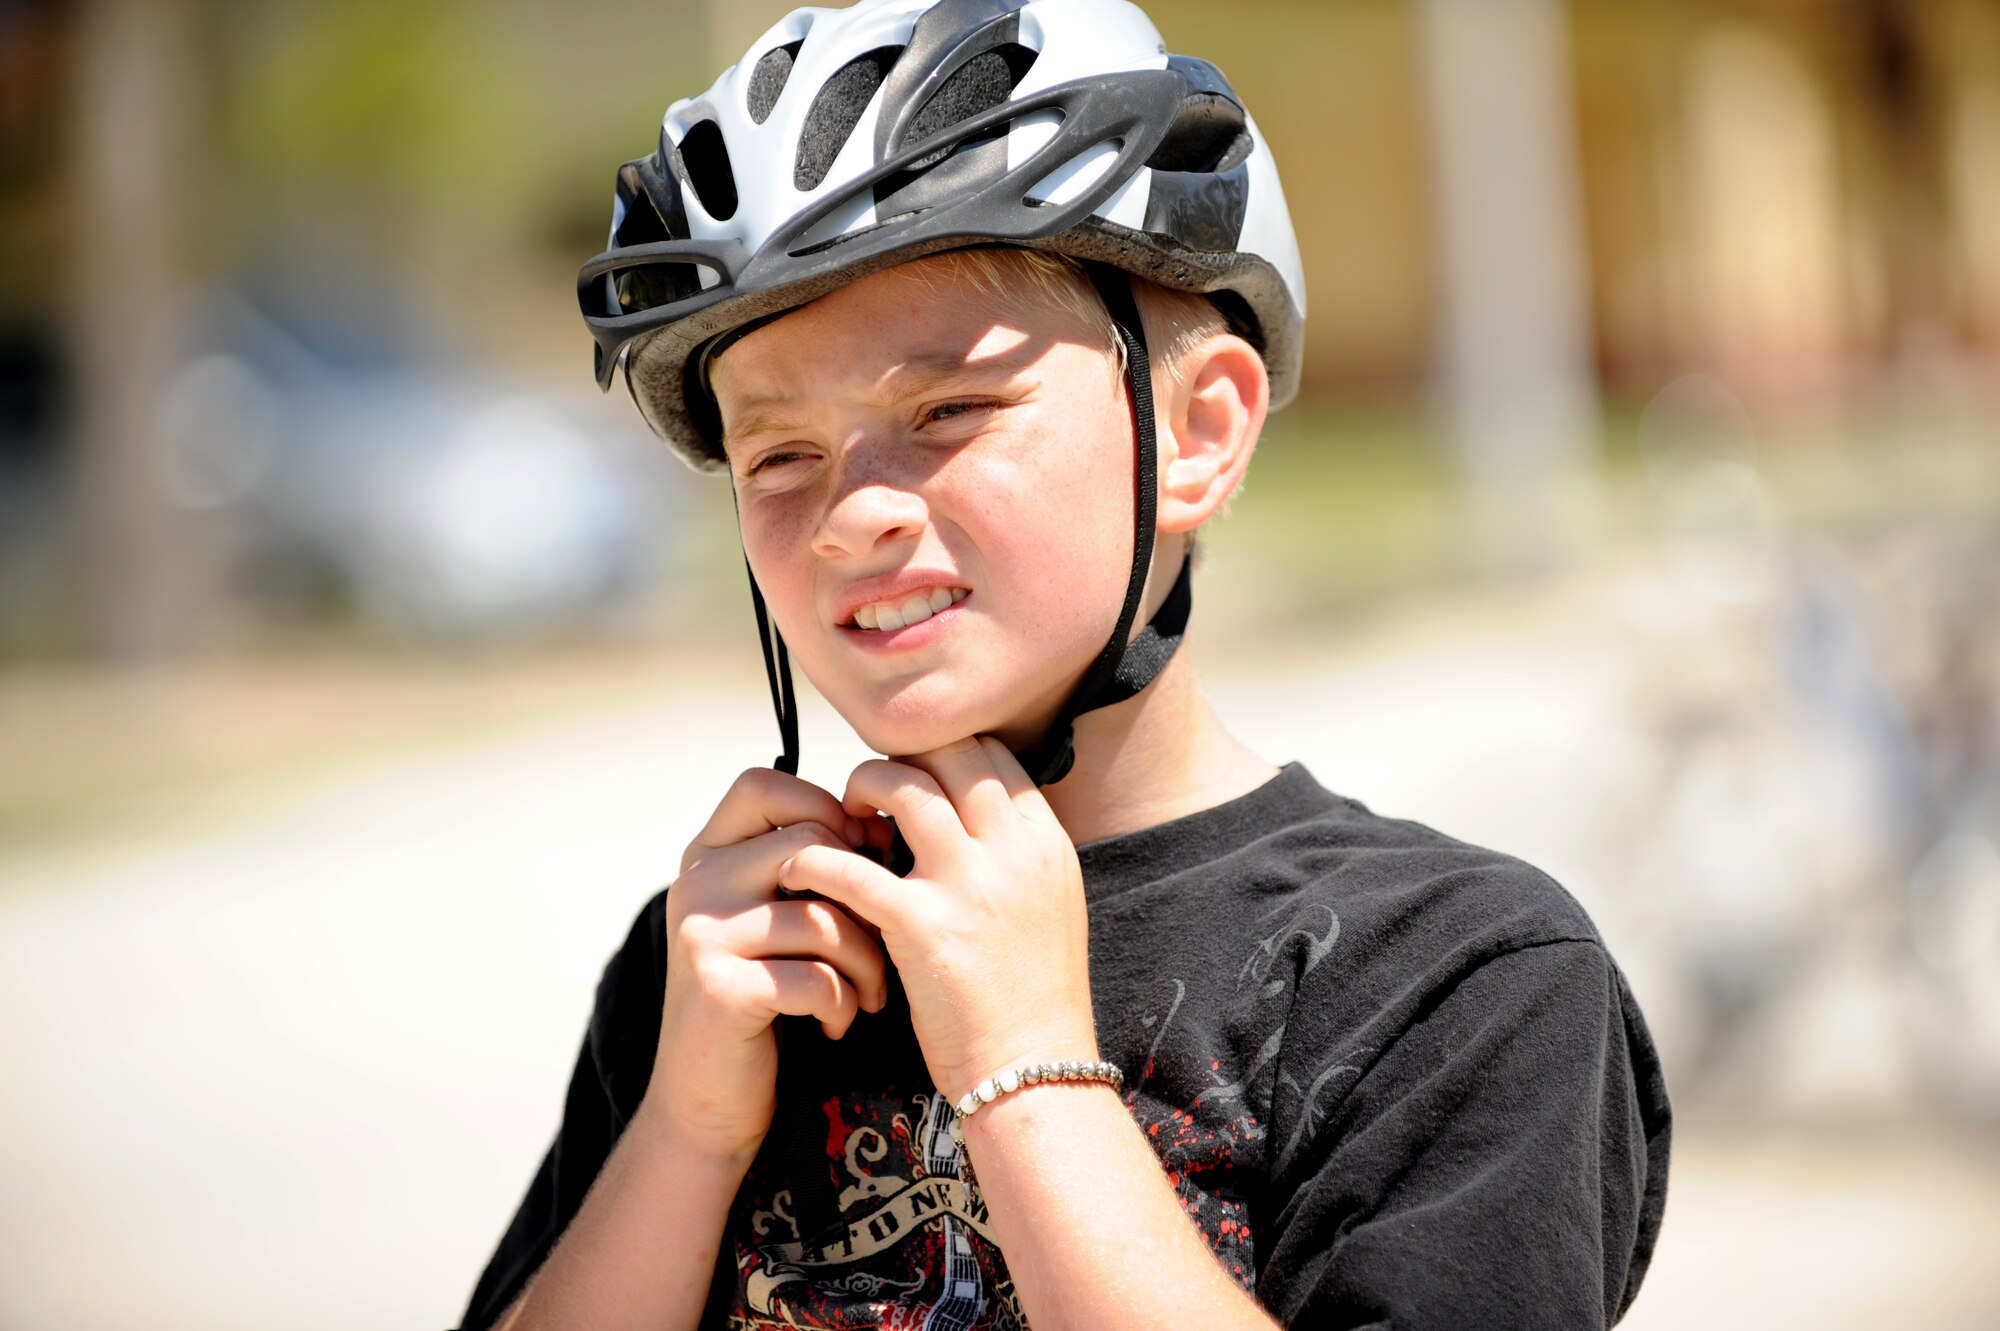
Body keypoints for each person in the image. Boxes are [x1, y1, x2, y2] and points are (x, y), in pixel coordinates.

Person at [461, 1, 1672, 1327]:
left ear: (1199, 432)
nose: (851, 511)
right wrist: (686, 1133)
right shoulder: (729, 963)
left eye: (947, 410)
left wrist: (1027, 1070)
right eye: (779, 456)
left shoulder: (1455, 986)